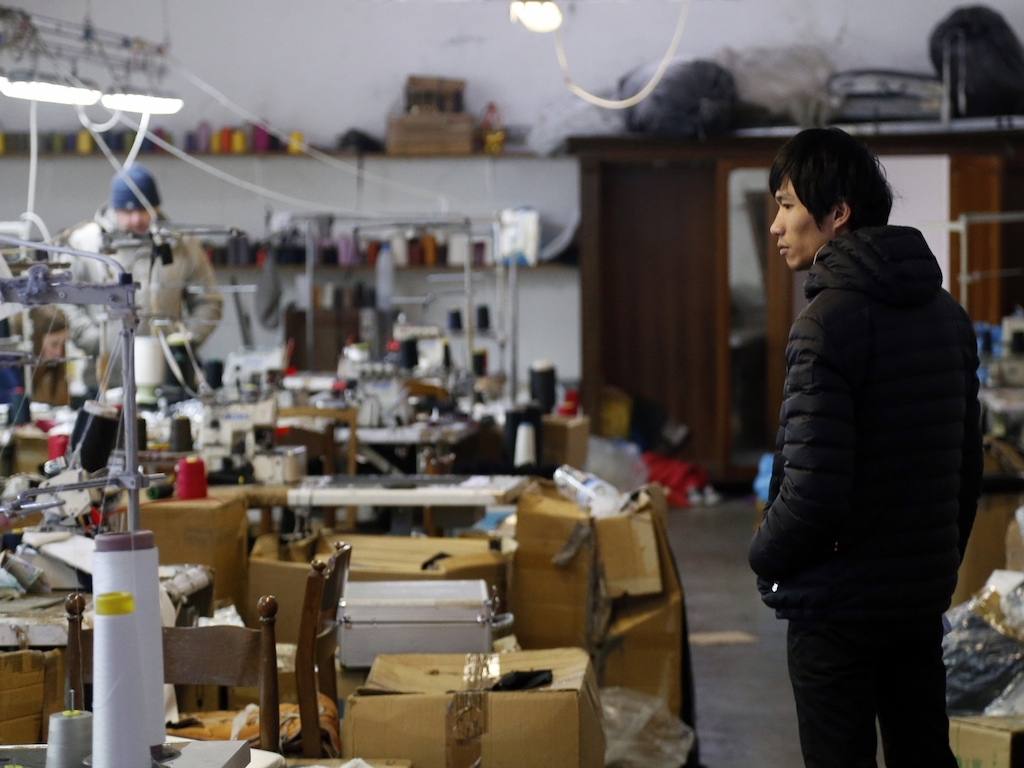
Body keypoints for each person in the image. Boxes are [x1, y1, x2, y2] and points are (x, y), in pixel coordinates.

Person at [748, 128, 983, 768]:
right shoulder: (948, 316)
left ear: (837, 213)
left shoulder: (825, 323)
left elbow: (813, 491)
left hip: (836, 607)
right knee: (922, 754)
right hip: (916, 598)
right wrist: (933, 564)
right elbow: (966, 472)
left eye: (788, 206)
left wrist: (763, 555)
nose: (775, 225)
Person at [62, 164, 223, 393]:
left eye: (144, 210)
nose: (136, 219)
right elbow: (64, 301)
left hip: (168, 378)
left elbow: (209, 301)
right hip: (105, 379)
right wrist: (97, 341)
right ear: (114, 208)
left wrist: (183, 341)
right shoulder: (84, 245)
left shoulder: (181, 245)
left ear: (156, 207)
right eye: (128, 212)